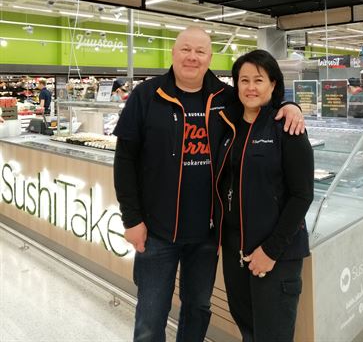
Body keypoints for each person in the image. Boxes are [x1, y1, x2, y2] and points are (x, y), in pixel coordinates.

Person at [113, 27, 305, 342]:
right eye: (185, 49)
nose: (192, 57)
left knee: (198, 308)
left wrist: (291, 106)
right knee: (150, 314)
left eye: (200, 51)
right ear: (173, 53)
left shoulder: (225, 98)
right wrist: (131, 218)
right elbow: (124, 160)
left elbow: (260, 103)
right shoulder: (146, 95)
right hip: (157, 231)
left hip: (208, 233)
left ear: (210, 57)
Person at [214, 49, 314, 342]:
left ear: (273, 84)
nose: (251, 87)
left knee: (273, 335)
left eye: (258, 80)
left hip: (276, 254)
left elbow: (302, 195)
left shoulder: (287, 127)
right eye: (244, 80)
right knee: (248, 329)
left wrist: (270, 251)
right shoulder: (228, 125)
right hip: (235, 251)